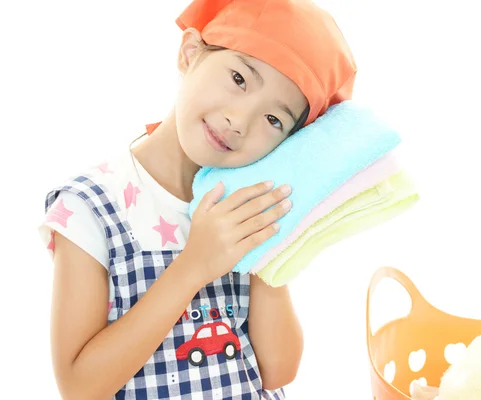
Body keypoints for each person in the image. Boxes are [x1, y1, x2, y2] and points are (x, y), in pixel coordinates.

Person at [39, 0, 356, 398]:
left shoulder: (248, 208)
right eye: (240, 78)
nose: (239, 122)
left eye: (274, 120)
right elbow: (79, 386)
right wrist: (193, 266)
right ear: (190, 52)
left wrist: (270, 249)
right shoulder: (91, 206)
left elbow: (277, 371)